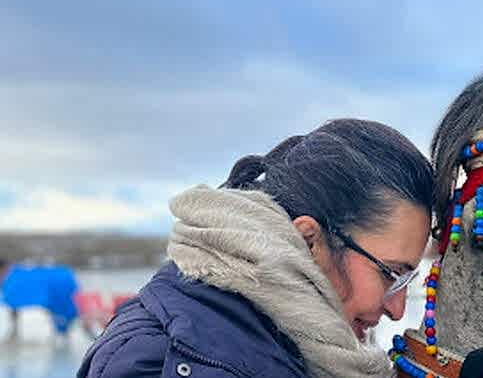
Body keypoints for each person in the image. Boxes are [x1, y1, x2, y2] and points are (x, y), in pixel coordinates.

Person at [77, 119, 435, 378]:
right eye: (391, 274)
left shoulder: (289, 346)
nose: (398, 309)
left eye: (407, 281)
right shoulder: (164, 359)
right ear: (310, 241)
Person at [0, 259, 80, 340]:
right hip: (62, 287)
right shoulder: (15, 278)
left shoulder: (15, 279)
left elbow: (14, 303)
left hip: (59, 293)